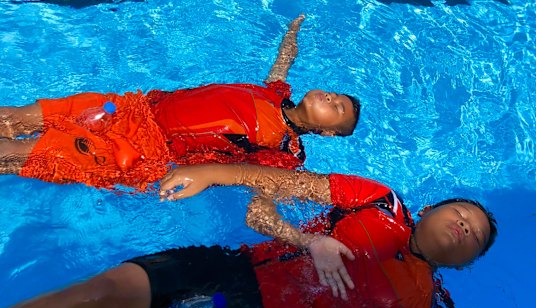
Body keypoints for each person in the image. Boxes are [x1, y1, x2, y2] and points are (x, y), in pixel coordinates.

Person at [0, 164, 498, 308]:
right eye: (460, 212)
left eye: (474, 234)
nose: (464, 224)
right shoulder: (379, 201)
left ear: (469, 264)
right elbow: (272, 188)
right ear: (430, 208)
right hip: (230, 276)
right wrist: (308, 239)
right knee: (106, 292)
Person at [0, 15, 361, 190]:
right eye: (333, 93)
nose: (329, 96)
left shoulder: (281, 150)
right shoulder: (276, 93)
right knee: (18, 116)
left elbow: (270, 184)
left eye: (337, 107)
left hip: (139, 148)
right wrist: (290, 38)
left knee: (25, 151)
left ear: (327, 132)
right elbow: (281, 67)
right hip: (128, 108)